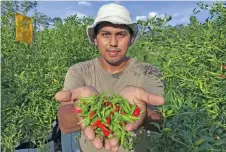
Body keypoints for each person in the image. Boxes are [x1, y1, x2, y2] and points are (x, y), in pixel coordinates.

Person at [55, 3, 165, 152]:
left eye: (121, 34)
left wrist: (142, 113)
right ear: (95, 39)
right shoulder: (79, 71)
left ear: (131, 39)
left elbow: (160, 118)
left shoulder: (148, 71)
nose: (113, 43)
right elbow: (64, 123)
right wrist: (85, 109)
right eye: (106, 34)